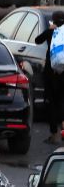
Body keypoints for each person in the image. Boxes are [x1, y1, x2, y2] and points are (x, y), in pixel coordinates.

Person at [35, 10, 64, 144]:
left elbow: (37, 40)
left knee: (51, 101)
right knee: (62, 100)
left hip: (51, 71)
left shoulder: (52, 32)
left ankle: (54, 133)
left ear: (54, 20)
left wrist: (49, 29)